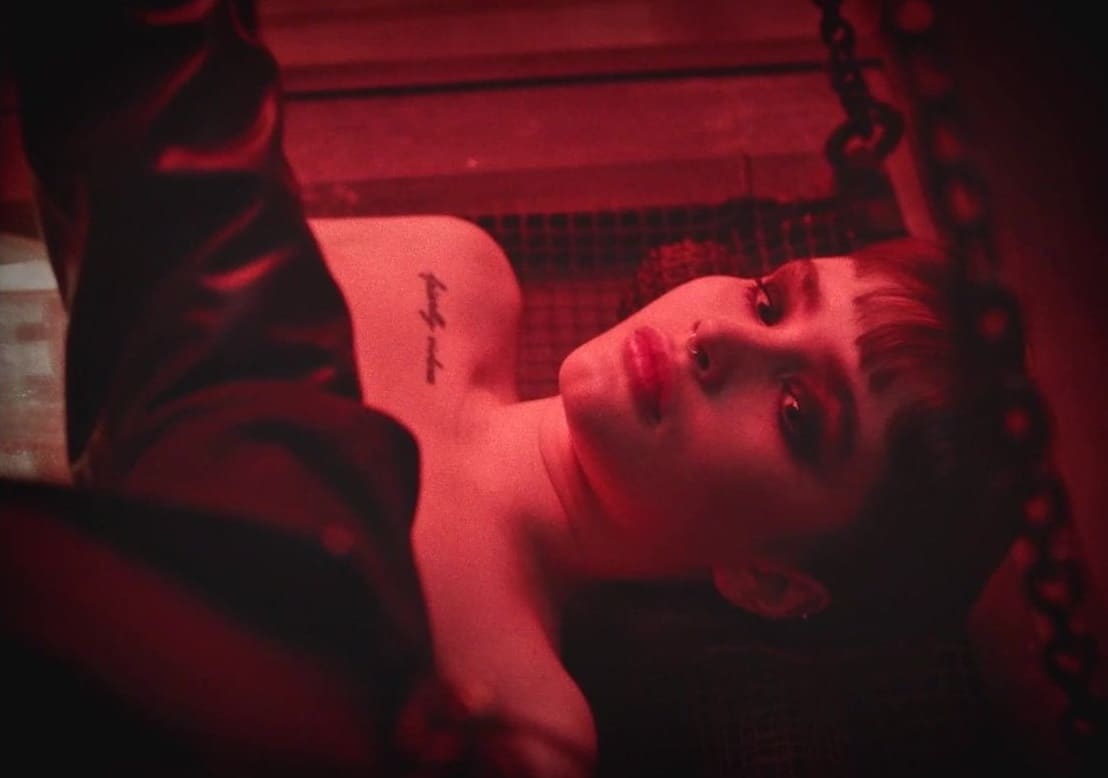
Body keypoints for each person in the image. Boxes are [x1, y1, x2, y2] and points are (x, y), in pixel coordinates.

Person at [4, 2, 1013, 776]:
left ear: (772, 582)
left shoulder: (527, 722)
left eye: (797, 413)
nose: (720, 338)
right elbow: (113, 262)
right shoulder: (458, 271)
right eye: (768, 297)